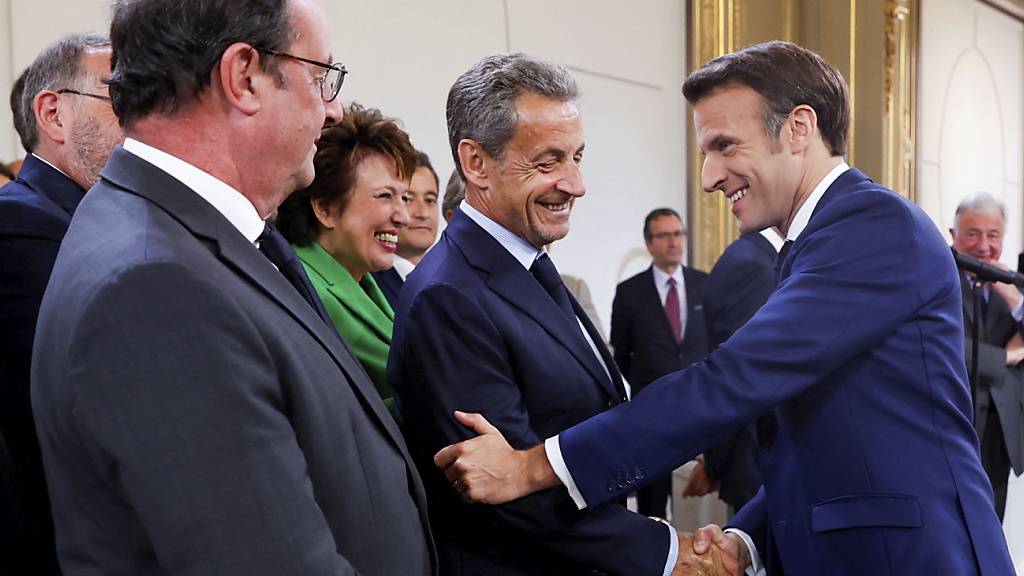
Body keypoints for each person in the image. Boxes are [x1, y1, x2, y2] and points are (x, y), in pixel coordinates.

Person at [434, 41, 1014, 576]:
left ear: (798, 128)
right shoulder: (820, 242)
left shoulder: (873, 226)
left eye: (724, 146)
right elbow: (815, 438)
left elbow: (731, 381)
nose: (709, 177)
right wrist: (747, 538)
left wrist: (532, 466)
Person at [30, 1, 435, 574]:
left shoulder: (203, 235)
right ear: (243, 76)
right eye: (321, 78)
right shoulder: (153, 287)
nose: (334, 109)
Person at [389, 53, 722, 576]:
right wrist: (666, 553)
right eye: (548, 162)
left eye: (577, 157)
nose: (575, 184)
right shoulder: (448, 296)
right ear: (476, 163)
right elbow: (508, 494)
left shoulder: (529, 266)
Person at [0, 32, 123, 575]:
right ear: (53, 114)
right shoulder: (22, 224)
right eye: (123, 99)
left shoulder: (87, 220)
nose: (149, 125)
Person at [276, 102, 413, 412]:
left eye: (403, 197)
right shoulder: (302, 291)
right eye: (384, 196)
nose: (403, 216)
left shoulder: (370, 281)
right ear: (325, 208)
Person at [611, 207, 709, 518]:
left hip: (701, 409)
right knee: (652, 507)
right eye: (664, 235)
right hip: (651, 413)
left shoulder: (707, 285)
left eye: (678, 234)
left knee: (702, 509)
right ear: (649, 243)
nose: (674, 242)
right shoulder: (629, 293)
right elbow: (621, 356)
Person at [683, 229, 782, 512]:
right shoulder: (752, 265)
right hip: (759, 464)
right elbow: (739, 378)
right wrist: (716, 462)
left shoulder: (762, 258)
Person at [949, 192, 1024, 522]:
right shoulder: (939, 277)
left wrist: (1014, 300)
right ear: (953, 236)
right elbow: (945, 348)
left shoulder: (1011, 282)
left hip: (1000, 429)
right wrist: (1005, 358)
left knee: (992, 525)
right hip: (955, 419)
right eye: (972, 233)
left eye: (992, 236)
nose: (983, 246)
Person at [373, 150, 440, 308]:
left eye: (430, 200)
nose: (422, 213)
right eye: (407, 199)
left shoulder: (453, 277)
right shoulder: (369, 282)